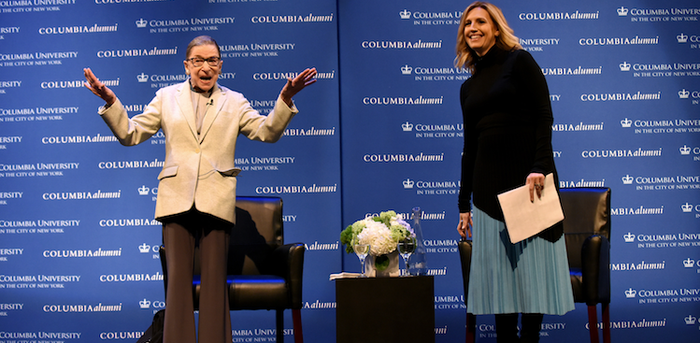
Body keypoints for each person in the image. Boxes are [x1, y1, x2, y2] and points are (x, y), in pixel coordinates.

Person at [83, 35, 317, 343]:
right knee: (178, 284)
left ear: (221, 66)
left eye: (212, 61)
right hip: (175, 198)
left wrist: (285, 99)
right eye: (198, 61)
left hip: (216, 199)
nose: (205, 67)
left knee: (214, 284)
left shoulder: (234, 101)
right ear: (187, 66)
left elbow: (266, 131)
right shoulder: (166, 97)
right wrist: (111, 103)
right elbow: (131, 133)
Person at [454, 2, 574, 342]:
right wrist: (464, 203)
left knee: (532, 284)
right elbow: (470, 147)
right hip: (487, 192)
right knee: (500, 288)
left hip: (528, 187)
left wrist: (540, 167)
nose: (472, 27)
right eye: (467, 24)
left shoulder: (519, 61)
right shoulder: (468, 87)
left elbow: (544, 116)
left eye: (480, 21)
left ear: (495, 28)